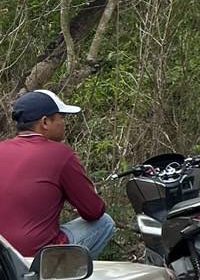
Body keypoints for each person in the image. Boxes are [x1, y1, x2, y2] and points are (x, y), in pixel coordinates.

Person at [0, 89, 115, 258]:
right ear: (45, 122)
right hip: (34, 259)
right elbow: (94, 211)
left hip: (4, 260)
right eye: (61, 117)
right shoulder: (61, 154)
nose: (64, 123)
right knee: (105, 222)